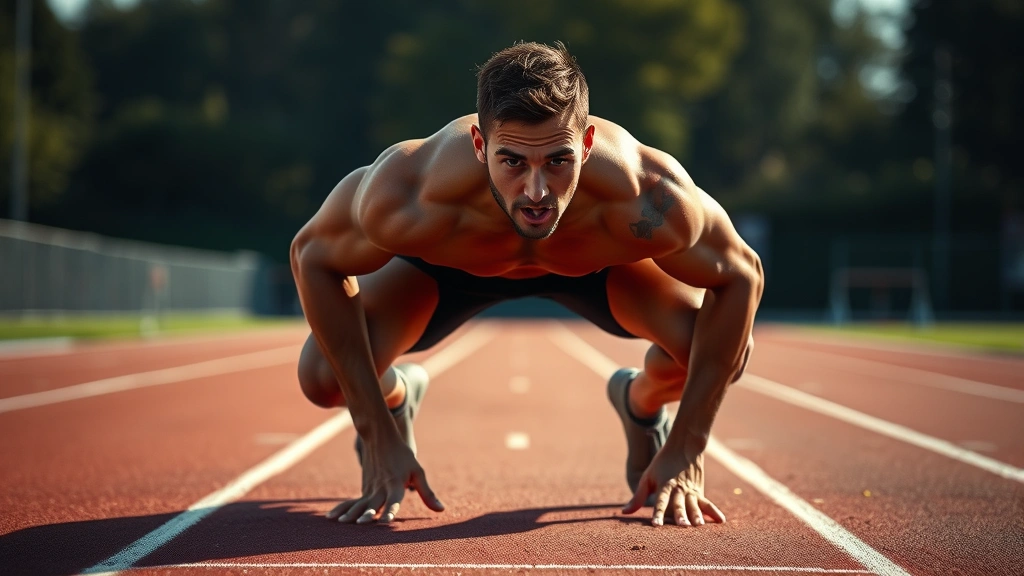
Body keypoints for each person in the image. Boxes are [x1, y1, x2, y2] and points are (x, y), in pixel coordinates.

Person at [291, 41, 763, 528]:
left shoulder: (646, 195)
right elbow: (311, 256)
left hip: (597, 266)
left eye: (558, 161)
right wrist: (376, 433)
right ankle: (397, 397)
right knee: (323, 379)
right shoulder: (412, 192)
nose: (536, 193)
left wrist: (688, 446)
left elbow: (741, 273)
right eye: (513, 161)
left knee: (725, 351)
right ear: (479, 145)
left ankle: (640, 402)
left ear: (586, 143)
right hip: (445, 268)